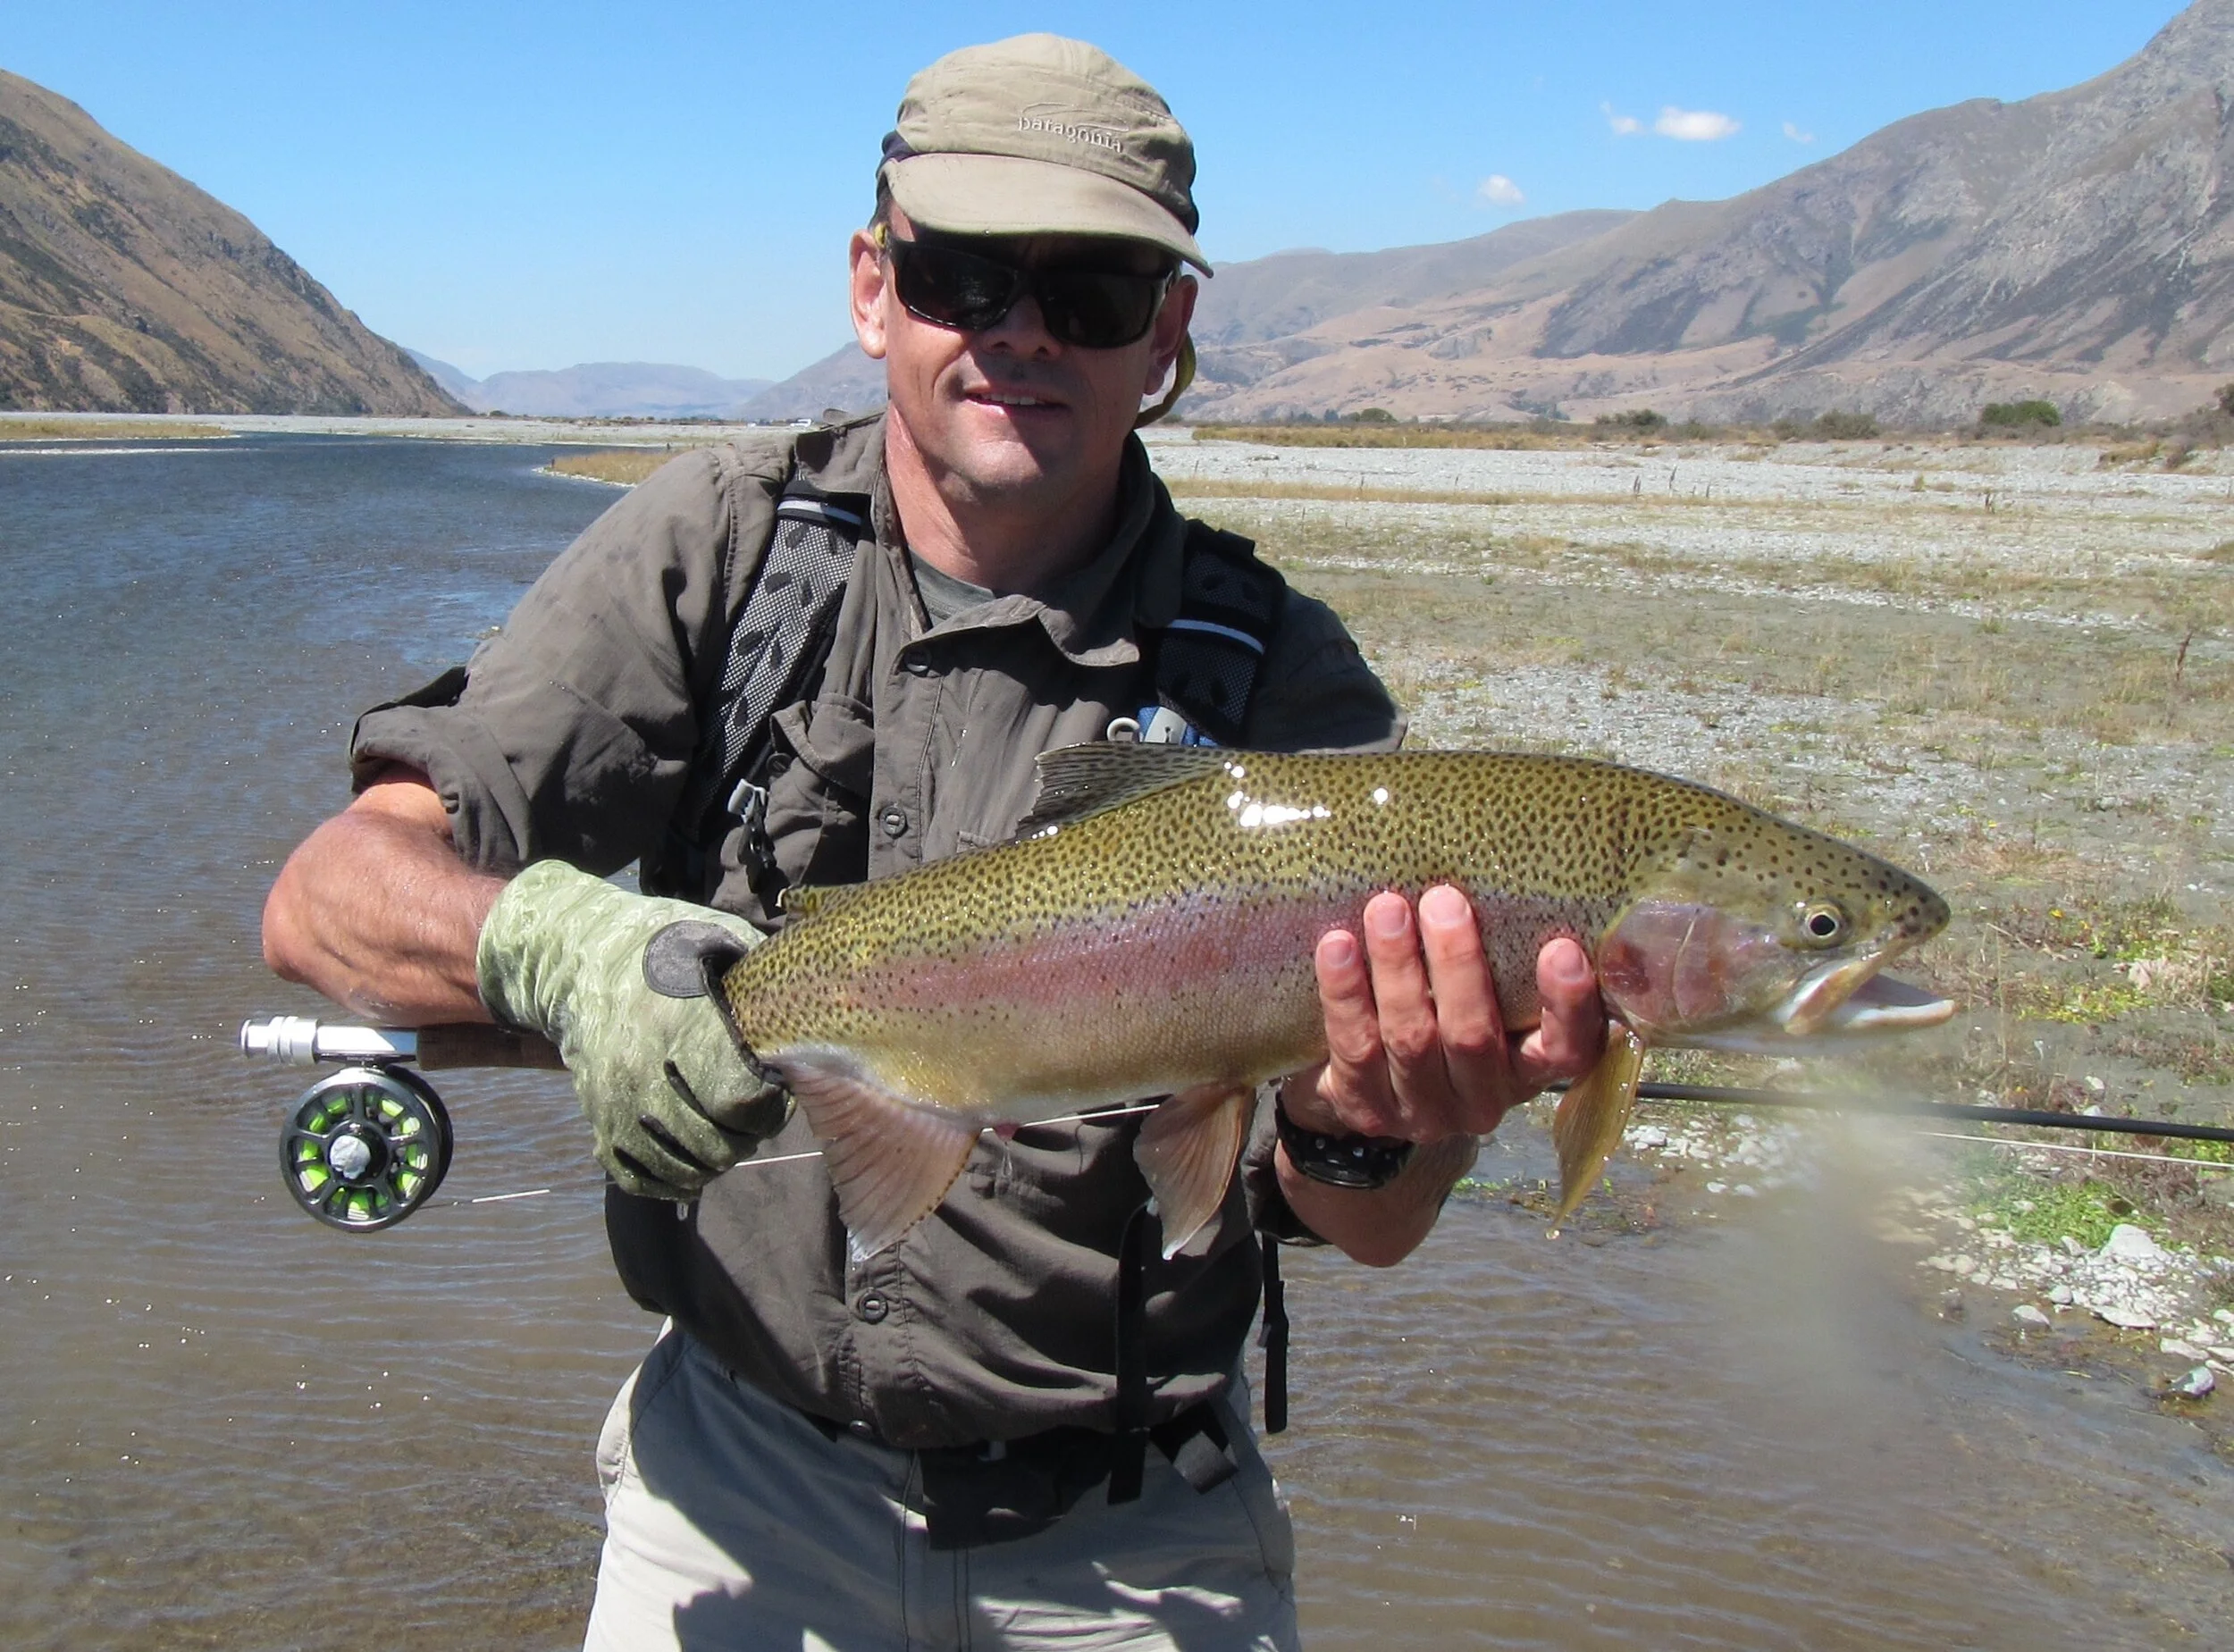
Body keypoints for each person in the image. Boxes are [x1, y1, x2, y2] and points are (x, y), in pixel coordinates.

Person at [262, 33, 1603, 1652]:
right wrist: (567, 951)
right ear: (872, 286)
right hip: (733, 1501)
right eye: (967, 275)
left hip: (1138, 1551)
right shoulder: (726, 550)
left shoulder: (1282, 685)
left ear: (1168, 331)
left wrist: (1387, 1121)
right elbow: (331, 896)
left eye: (1093, 291)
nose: (1021, 335)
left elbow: (1369, 1228)